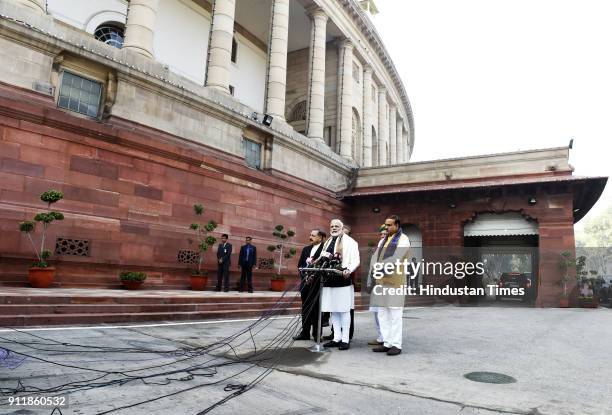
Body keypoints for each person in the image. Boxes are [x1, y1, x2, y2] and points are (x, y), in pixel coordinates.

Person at [369, 215, 410, 356]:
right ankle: (387, 343)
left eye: (390, 225)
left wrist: (380, 266)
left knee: (395, 313)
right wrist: (375, 267)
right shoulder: (383, 240)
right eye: (385, 225)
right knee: (382, 313)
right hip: (381, 281)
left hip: (395, 282)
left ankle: (396, 344)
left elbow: (397, 257)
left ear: (397, 225)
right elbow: (375, 256)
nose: (386, 227)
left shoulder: (403, 239)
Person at [321, 219, 360, 350]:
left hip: (342, 278)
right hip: (329, 278)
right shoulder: (327, 242)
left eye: (336, 226)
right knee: (333, 310)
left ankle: (345, 339)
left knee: (343, 310)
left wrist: (349, 269)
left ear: (342, 228)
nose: (333, 228)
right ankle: (336, 338)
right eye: (331, 226)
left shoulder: (350, 242)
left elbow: (356, 260)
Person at [294, 229, 326, 340]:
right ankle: (305, 333)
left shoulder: (324, 250)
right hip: (305, 284)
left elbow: (324, 267)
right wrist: (305, 277)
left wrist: (313, 277)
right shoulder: (306, 249)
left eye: (313, 235)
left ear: (320, 237)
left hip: (317, 284)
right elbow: (300, 265)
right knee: (305, 308)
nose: (310, 237)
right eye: (310, 235)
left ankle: (317, 334)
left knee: (317, 309)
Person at [366, 225, 387, 347]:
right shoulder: (377, 250)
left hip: (385, 285)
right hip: (375, 285)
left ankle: (386, 337)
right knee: (376, 312)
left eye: (385, 234)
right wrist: (369, 283)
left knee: (384, 312)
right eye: (381, 234)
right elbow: (371, 269)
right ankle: (381, 336)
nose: (383, 236)